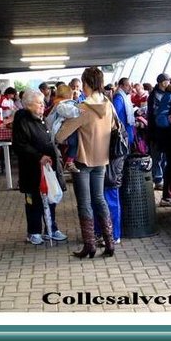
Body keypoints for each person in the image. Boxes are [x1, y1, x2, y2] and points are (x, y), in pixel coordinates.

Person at [56, 66, 116, 259]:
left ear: (87, 83)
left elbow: (60, 135)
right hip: (102, 159)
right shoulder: (108, 104)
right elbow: (113, 126)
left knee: (84, 203)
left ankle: (89, 245)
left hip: (82, 161)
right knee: (99, 199)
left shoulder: (83, 108)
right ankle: (110, 242)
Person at [12, 90, 68, 245]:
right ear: (29, 105)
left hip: (48, 168)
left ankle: (51, 228)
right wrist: (39, 156)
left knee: (51, 198)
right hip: (32, 169)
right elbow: (20, 145)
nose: (43, 106)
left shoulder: (41, 118)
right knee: (33, 201)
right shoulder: (22, 119)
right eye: (39, 103)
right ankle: (34, 231)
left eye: (43, 102)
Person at [45, 84, 81, 173]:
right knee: (74, 142)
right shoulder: (62, 104)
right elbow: (68, 112)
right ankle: (69, 162)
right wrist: (79, 111)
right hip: (61, 131)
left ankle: (66, 164)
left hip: (55, 131)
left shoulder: (56, 103)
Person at [146, 73, 171, 191]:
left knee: (161, 156)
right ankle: (158, 179)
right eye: (167, 81)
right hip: (157, 131)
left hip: (160, 131)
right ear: (162, 82)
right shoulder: (156, 96)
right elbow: (157, 114)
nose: (169, 83)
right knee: (158, 156)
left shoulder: (156, 94)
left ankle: (160, 178)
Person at [112, 77, 135, 146]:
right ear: (121, 86)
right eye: (127, 85)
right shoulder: (118, 98)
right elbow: (116, 114)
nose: (130, 87)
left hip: (126, 127)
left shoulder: (124, 97)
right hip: (123, 128)